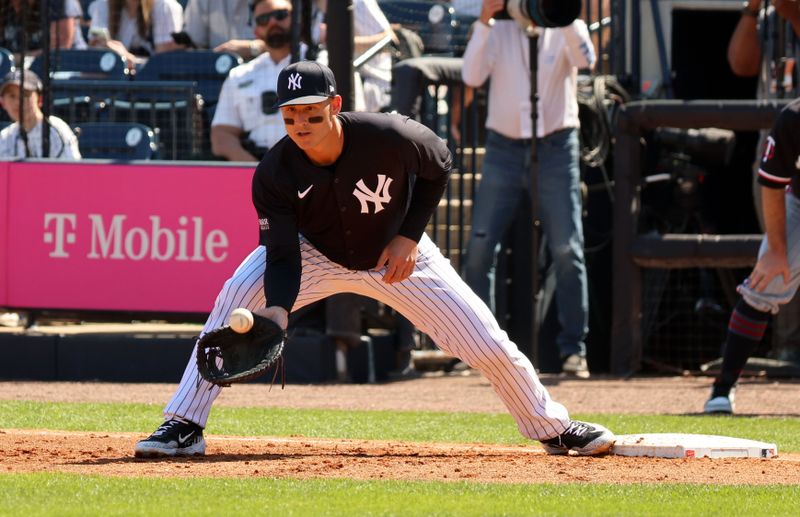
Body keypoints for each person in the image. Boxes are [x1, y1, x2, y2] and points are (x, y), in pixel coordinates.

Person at [133, 60, 615, 458]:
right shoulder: (273, 173)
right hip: (314, 252)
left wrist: (409, 235)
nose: (300, 124)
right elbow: (280, 252)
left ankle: (552, 427)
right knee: (237, 293)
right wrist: (278, 310)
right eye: (290, 115)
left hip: (395, 256)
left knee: (484, 340)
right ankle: (184, 425)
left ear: (335, 106)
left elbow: (440, 162)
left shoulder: (388, 135)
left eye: (311, 113)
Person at [460, 0, 595, 378]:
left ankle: (574, 350)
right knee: (480, 247)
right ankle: (477, 348)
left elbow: (587, 60)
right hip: (503, 145)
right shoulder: (498, 26)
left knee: (568, 248)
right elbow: (471, 76)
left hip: (556, 144)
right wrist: (486, 19)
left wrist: (563, 15)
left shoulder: (564, 20)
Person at [704, 97, 800, 414]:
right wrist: (776, 249)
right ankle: (723, 388)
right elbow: (772, 182)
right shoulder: (794, 118)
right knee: (766, 281)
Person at [728, 0, 800, 365]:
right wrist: (751, 9)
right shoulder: (768, 18)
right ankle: (786, 350)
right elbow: (740, 64)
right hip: (777, 145)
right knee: (777, 254)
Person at [210, 0, 305, 161]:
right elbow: (221, 137)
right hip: (259, 167)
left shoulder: (326, 64)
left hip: (314, 170)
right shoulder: (240, 75)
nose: (273, 22)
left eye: (280, 15)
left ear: (298, 19)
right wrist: (259, 173)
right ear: (256, 32)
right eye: (263, 19)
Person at [0, 70, 80, 159]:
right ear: (2, 102)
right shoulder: (4, 137)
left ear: (39, 99)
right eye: (12, 96)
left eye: (25, 95)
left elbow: (72, 171)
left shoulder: (56, 130)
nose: (18, 102)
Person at [87, 0, 182, 69]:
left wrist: (126, 57)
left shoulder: (164, 7)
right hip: (114, 86)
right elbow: (95, 60)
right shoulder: (102, 6)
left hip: (151, 89)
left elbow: (164, 65)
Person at [179, 0, 269, 60]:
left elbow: (282, 46)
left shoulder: (275, 3)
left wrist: (254, 48)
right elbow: (192, 46)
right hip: (217, 74)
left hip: (265, 71)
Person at [0, 0, 74, 60]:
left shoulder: (58, 2)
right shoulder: (4, 5)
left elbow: (60, 48)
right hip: (9, 70)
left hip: (59, 71)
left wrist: (18, 58)